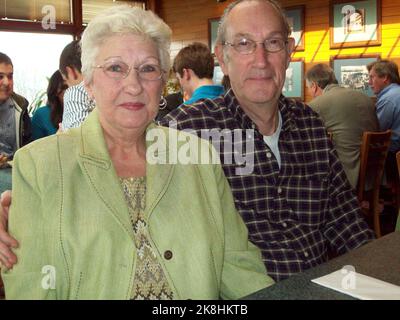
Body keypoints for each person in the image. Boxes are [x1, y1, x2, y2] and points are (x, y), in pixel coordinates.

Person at [0, 5, 272, 299]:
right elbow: (32, 289)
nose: (133, 85)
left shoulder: (198, 156)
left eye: (148, 69)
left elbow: (240, 268)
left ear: (162, 81)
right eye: (116, 68)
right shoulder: (39, 166)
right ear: (89, 82)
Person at [159, 0, 375, 281]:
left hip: (321, 286)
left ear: (288, 52)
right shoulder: (185, 131)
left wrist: (378, 278)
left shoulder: (310, 125)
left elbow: (344, 221)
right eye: (244, 43)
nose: (260, 60)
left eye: (272, 43)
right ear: (222, 57)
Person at [306, 63, 379, 189]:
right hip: (372, 172)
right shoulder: (365, 97)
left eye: (308, 88)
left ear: (314, 86)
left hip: (346, 175)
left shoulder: (318, 104)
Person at [0, 52, 31, 161]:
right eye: (0, 77)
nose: (7, 82)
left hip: (16, 168)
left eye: (10, 76)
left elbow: (29, 146)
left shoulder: (21, 105)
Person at [60, 40, 95, 130]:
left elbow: (80, 138)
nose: (68, 86)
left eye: (66, 80)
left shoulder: (75, 92)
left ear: (70, 72)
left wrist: (60, 139)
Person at [31, 70, 68, 140]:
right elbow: (34, 149)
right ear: (56, 91)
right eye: (65, 87)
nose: (72, 91)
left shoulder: (84, 111)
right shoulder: (41, 114)